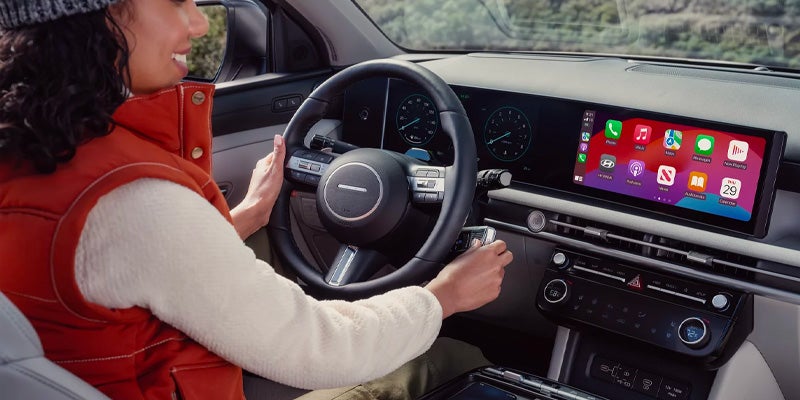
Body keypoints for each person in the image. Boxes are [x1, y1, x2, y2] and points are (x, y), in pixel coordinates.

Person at [0, 1, 513, 399]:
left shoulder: (33, 151)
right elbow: (315, 347)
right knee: (440, 359)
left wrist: (240, 217)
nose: (199, 24)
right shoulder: (134, 200)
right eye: (177, 2)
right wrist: (445, 296)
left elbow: (119, 271)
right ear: (93, 18)